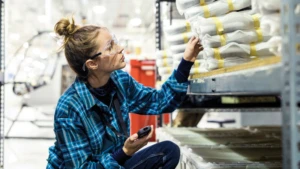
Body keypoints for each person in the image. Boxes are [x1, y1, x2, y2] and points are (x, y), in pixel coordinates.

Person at [46, 17, 203, 169]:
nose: (120, 48)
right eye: (110, 47)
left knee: (168, 151)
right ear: (92, 64)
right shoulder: (69, 108)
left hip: (114, 163)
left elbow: (159, 101)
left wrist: (187, 60)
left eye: (114, 41)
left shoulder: (120, 81)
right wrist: (125, 152)